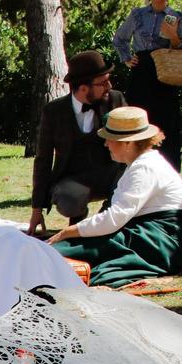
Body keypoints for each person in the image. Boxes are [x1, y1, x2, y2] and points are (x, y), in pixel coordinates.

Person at [47, 107, 182, 287]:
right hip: (151, 234)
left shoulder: (145, 168)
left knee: (76, 247)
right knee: (80, 244)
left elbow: (114, 218)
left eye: (111, 140)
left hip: (164, 241)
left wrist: (67, 232)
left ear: (128, 143)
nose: (106, 144)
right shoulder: (139, 165)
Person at [29, 51, 128, 236]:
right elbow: (43, 159)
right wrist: (37, 209)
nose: (110, 86)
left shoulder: (116, 100)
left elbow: (132, 143)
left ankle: (105, 222)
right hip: (74, 179)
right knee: (68, 199)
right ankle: (78, 220)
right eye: (103, 82)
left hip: (110, 174)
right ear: (83, 88)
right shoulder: (53, 112)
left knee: (127, 174)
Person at [113, 0, 182, 171]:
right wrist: (127, 58)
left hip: (165, 71)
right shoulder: (138, 14)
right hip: (142, 71)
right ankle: (133, 168)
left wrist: (174, 37)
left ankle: (168, 171)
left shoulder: (176, 16)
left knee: (167, 122)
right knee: (138, 119)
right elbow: (120, 38)